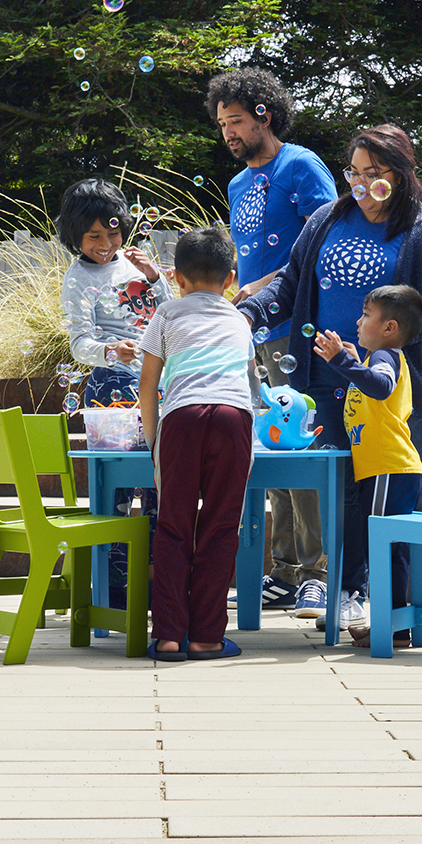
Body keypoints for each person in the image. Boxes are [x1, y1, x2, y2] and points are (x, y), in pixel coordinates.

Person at [236, 123, 422, 632]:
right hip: (327, 382)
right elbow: (290, 281)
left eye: (375, 173)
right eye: (354, 172)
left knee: (421, 487)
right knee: (349, 491)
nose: (362, 183)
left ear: (402, 173)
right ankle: (352, 593)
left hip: (398, 389)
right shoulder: (326, 220)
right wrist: (251, 313)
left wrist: (392, 341)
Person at [206, 68, 337, 617]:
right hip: (254, 335)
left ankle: (319, 573)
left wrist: (263, 287)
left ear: (264, 114)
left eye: (235, 121)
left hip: (298, 332)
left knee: (300, 451)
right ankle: (283, 570)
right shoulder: (238, 184)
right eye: (221, 124)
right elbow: (251, 259)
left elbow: (327, 238)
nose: (228, 133)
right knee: (269, 450)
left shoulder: (301, 165)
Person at [138, 227, 261, 661]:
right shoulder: (239, 320)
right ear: (230, 279)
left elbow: (148, 384)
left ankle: (170, 635)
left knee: (174, 524)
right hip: (232, 419)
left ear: (178, 278)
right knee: (221, 525)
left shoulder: (167, 315)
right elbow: (252, 390)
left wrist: (155, 443)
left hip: (182, 419)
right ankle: (207, 636)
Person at [56, 177, 170, 604]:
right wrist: (109, 350)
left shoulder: (136, 264)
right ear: (75, 236)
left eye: (114, 232)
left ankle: (160, 582)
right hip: (112, 392)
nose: (106, 244)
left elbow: (170, 312)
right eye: (94, 237)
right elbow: (78, 342)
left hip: (155, 384)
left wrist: (155, 278)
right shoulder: (77, 278)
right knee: (118, 492)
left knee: (162, 484)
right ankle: (116, 590)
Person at [312, 285, 422, 648]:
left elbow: (379, 387)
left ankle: (391, 629)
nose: (358, 322)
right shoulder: (375, 358)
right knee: (384, 548)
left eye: (365, 315)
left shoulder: (387, 357)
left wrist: (342, 362)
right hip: (385, 471)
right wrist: (353, 361)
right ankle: (394, 625)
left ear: (389, 328)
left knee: (381, 547)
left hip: (386, 470)